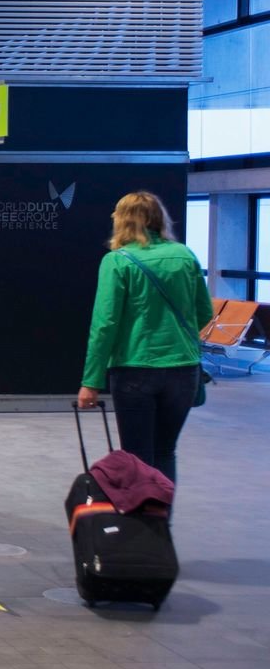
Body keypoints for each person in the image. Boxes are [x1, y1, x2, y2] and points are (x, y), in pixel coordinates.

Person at [77, 191, 211, 484]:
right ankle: (161, 524)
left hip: (134, 369)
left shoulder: (117, 261)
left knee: (136, 457)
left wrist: (91, 381)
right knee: (166, 451)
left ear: (122, 221)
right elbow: (204, 312)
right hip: (184, 370)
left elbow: (105, 325)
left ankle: (142, 527)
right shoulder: (185, 256)